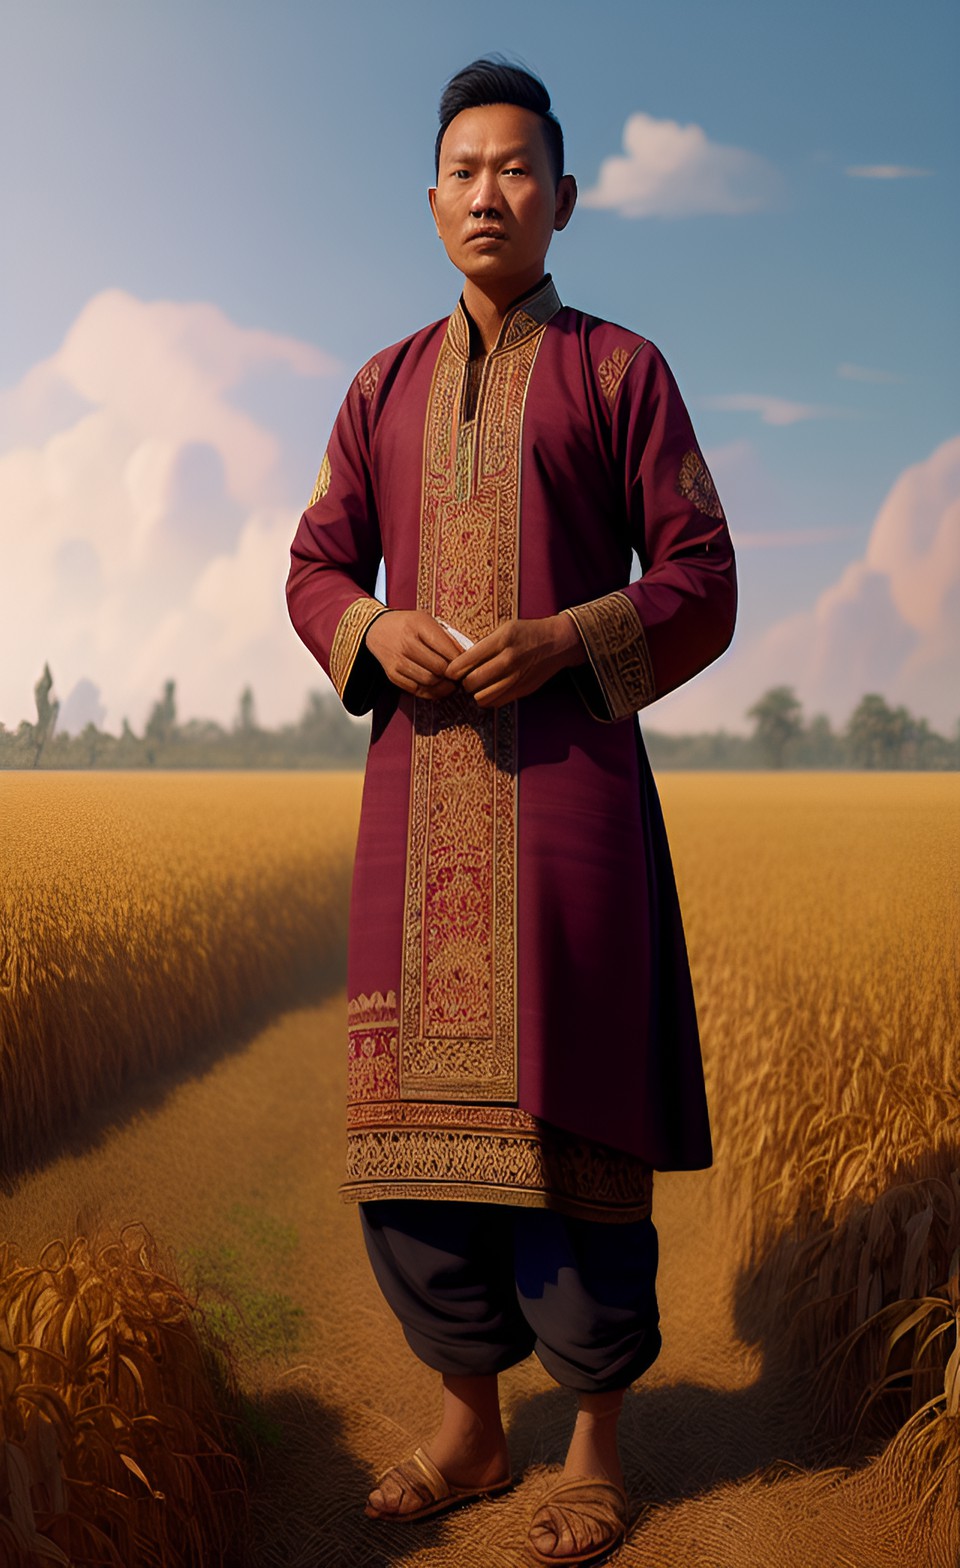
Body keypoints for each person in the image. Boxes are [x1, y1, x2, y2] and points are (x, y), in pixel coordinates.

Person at [286, 56, 736, 1567]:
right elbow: (312, 565)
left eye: (517, 168)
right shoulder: (378, 388)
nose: (490, 192)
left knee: (578, 1136)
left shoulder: (624, 372)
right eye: (464, 171)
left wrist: (573, 636)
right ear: (432, 203)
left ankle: (601, 1443)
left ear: (563, 197)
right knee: (412, 1160)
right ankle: (472, 1424)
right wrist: (369, 626)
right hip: (414, 810)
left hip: (572, 813)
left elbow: (702, 575)